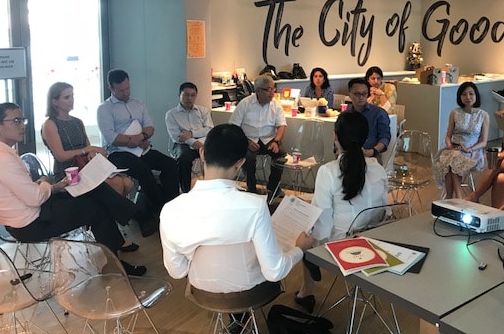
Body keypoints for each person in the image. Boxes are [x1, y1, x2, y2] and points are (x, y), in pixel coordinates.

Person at [0, 102, 147, 275]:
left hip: (31, 212)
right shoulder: (0, 158)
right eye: (16, 120)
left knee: (91, 189)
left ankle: (134, 221)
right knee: (95, 208)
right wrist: (46, 183)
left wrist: (51, 186)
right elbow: (35, 198)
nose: (22, 125)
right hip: (32, 224)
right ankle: (128, 236)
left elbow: (24, 192)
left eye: (23, 120)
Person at [160, 123, 313, 296]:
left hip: (201, 290)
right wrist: (300, 248)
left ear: (202, 153)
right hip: (249, 291)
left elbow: (177, 271)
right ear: (240, 163)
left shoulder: (171, 210)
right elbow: (274, 271)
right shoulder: (255, 206)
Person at [294, 111, 388, 313]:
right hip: (376, 240)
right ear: (366, 137)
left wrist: (309, 239)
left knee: (302, 231)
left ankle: (306, 290)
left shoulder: (328, 171)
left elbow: (323, 223)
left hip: (343, 245)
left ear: (335, 136)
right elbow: (384, 212)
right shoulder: (378, 168)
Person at [41, 82, 140, 251]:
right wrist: (87, 149)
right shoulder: (50, 124)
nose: (71, 100)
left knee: (126, 183)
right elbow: (60, 155)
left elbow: (87, 149)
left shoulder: (77, 122)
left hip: (85, 167)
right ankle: (117, 229)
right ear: (55, 101)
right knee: (115, 185)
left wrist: (93, 153)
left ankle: (110, 231)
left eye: (72, 96)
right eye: (67, 97)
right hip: (66, 174)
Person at [97, 69, 179, 226]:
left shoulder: (138, 104)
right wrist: (131, 141)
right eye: (121, 90)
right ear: (111, 88)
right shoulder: (105, 109)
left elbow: (150, 128)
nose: (126, 92)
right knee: (143, 170)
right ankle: (158, 211)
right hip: (118, 153)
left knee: (170, 164)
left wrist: (141, 137)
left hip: (142, 148)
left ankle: (170, 206)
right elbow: (111, 137)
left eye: (128, 88)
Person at [230, 74, 286, 199]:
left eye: (273, 89)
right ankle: (251, 188)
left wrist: (276, 141)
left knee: (281, 156)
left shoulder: (276, 105)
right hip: (248, 138)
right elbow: (233, 126)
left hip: (269, 139)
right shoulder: (245, 104)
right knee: (248, 158)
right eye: (268, 90)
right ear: (258, 91)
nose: (272, 93)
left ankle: (273, 188)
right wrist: (247, 141)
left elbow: (281, 126)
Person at [433, 82, 489, 199]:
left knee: (452, 159)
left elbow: (484, 142)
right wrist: (449, 146)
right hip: (454, 147)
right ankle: (455, 197)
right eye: (464, 94)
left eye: (471, 94)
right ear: (459, 96)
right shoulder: (454, 113)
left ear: (476, 95)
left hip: (472, 151)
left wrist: (469, 149)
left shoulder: (483, 115)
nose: (468, 97)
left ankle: (453, 196)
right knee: (452, 157)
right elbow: (448, 136)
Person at [165, 82, 214, 193]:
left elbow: (210, 129)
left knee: (216, 155)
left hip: (203, 142)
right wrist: (193, 142)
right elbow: (176, 136)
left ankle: (212, 188)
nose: (189, 98)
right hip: (182, 144)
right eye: (186, 95)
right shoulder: (171, 114)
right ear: (179, 95)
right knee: (184, 158)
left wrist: (191, 133)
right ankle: (185, 191)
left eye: (192, 95)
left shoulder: (203, 111)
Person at [346, 78, 391, 159]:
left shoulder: (379, 113)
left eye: (364, 94)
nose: (361, 97)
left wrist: (373, 151)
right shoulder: (346, 114)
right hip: (349, 157)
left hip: (372, 157)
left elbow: (385, 138)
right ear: (350, 94)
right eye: (357, 94)